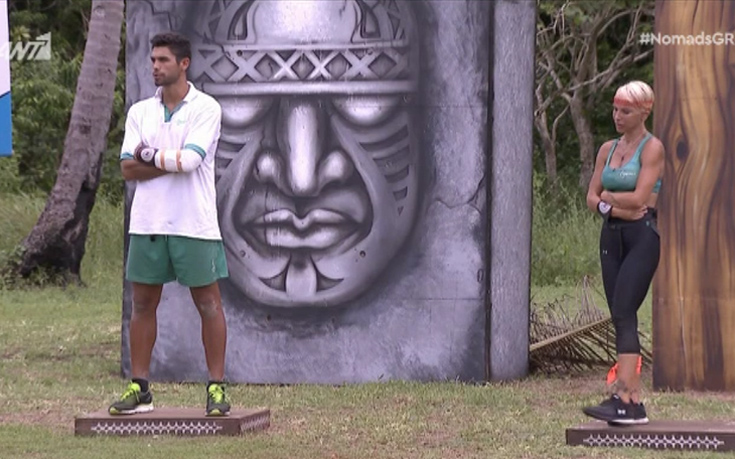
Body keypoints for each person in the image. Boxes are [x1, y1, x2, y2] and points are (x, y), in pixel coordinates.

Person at [109, 32, 230, 416]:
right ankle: (140, 388)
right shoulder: (140, 112)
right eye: (153, 60)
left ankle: (216, 388)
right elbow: (128, 168)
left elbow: (192, 161)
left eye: (163, 60)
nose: (155, 67)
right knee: (143, 304)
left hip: (194, 222)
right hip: (148, 223)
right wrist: (167, 161)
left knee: (208, 304)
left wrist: (148, 154)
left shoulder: (206, 108)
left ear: (183, 63)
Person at [582, 80, 664, 425]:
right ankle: (630, 401)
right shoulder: (607, 148)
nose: (617, 116)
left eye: (625, 111)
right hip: (611, 234)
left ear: (643, 112)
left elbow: (641, 199)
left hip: (641, 236)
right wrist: (612, 207)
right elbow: (591, 196)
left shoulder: (652, 148)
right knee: (619, 313)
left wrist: (609, 198)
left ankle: (626, 397)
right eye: (615, 109)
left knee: (626, 308)